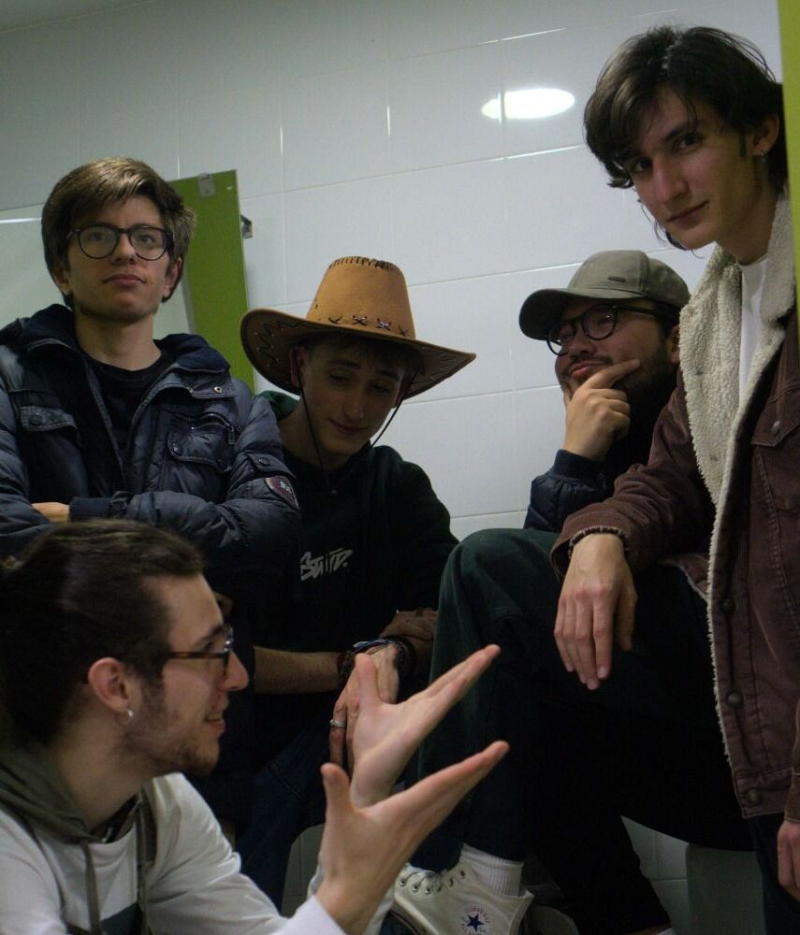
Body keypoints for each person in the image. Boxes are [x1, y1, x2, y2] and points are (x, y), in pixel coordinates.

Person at [391, 249, 746, 935]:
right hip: (697, 766)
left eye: (603, 321)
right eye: (566, 332)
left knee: (483, 561)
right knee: (522, 695)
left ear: (679, 336)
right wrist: (575, 462)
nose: (577, 344)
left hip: (752, 737)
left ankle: (456, 868)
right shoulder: (604, 447)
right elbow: (520, 628)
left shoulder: (719, 412)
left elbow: (500, 583)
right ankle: (631, 924)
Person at [547, 24, 797, 935]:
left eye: (685, 142)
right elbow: (672, 478)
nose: (663, 188)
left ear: (760, 129)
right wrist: (599, 535)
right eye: (639, 167)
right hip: (753, 719)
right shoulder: (715, 316)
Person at [0, 520, 507, 935]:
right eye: (211, 653)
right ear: (116, 686)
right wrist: (351, 888)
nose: (238, 677)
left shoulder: (153, 799)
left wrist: (368, 792)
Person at [0, 157, 300, 830]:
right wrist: (184, 575)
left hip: (198, 730)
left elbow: (269, 536)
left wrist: (83, 518)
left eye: (146, 238)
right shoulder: (8, 379)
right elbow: (3, 528)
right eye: (98, 236)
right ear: (61, 267)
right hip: (48, 721)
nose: (125, 252)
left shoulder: (231, 401)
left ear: (171, 272)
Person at [235, 255, 474, 902]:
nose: (357, 406)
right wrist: (354, 666)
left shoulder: (397, 486)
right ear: (299, 365)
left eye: (380, 387)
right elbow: (219, 654)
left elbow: (450, 612)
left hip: (369, 737)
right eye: (340, 377)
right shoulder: (238, 473)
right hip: (244, 745)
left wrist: (394, 651)